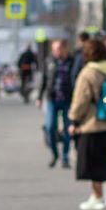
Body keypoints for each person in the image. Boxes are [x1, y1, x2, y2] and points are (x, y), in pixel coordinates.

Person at [68, 36, 106, 210]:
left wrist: (74, 120)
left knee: (92, 162)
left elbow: (81, 99)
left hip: (93, 124)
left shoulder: (88, 72)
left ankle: (97, 196)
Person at [38, 37, 75, 169]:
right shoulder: (49, 61)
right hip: (52, 99)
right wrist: (39, 97)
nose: (56, 51)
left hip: (67, 99)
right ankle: (54, 154)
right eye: (54, 49)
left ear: (65, 48)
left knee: (67, 129)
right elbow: (44, 79)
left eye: (58, 48)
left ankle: (65, 156)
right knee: (50, 127)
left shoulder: (72, 61)